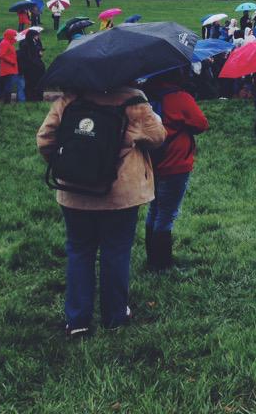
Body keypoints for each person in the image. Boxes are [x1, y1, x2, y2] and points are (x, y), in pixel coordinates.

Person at [36, 86, 166, 337]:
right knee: (116, 252)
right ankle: (115, 315)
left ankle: (77, 320)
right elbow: (158, 137)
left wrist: (71, 166)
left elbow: (45, 139)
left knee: (79, 251)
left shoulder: (70, 98)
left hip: (75, 192)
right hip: (120, 194)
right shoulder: (134, 100)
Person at [142, 70, 209, 271]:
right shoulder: (180, 98)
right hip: (176, 162)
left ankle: (152, 258)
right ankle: (162, 265)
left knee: (154, 210)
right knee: (166, 214)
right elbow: (201, 123)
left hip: (153, 162)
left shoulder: (146, 98)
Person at [18, 28, 46, 101]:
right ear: (32, 36)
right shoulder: (26, 44)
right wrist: (38, 53)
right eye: (37, 35)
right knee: (31, 83)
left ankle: (36, 97)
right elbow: (29, 56)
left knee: (36, 83)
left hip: (36, 66)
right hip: (31, 67)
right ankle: (31, 98)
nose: (38, 37)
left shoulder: (35, 42)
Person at [0, 28, 19, 103]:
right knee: (8, 86)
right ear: (10, 35)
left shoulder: (8, 42)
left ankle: (6, 101)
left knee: (8, 85)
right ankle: (7, 102)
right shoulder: (5, 43)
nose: (15, 37)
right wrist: (11, 61)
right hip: (7, 68)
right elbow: (1, 55)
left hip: (9, 68)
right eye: (13, 35)